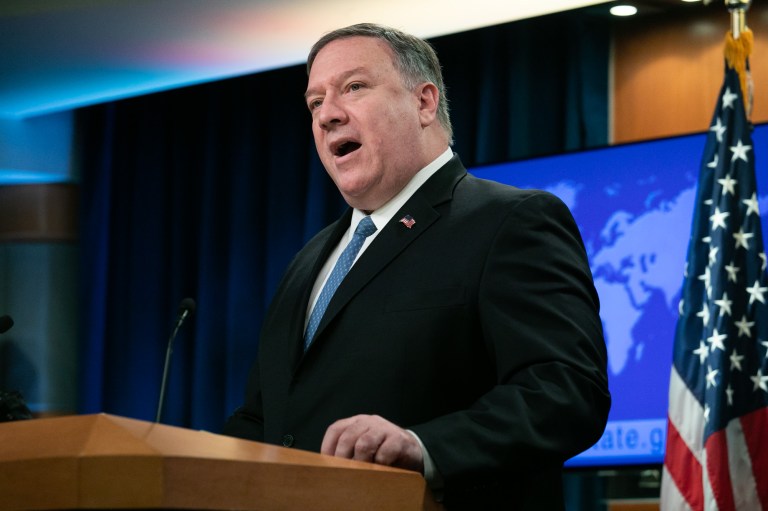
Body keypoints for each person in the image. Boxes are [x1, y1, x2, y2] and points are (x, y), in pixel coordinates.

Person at [224, 23, 610, 510]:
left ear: (425, 103)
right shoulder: (309, 261)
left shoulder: (509, 220)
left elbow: (566, 391)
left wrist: (424, 447)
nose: (326, 116)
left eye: (354, 87)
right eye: (315, 102)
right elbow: (266, 419)